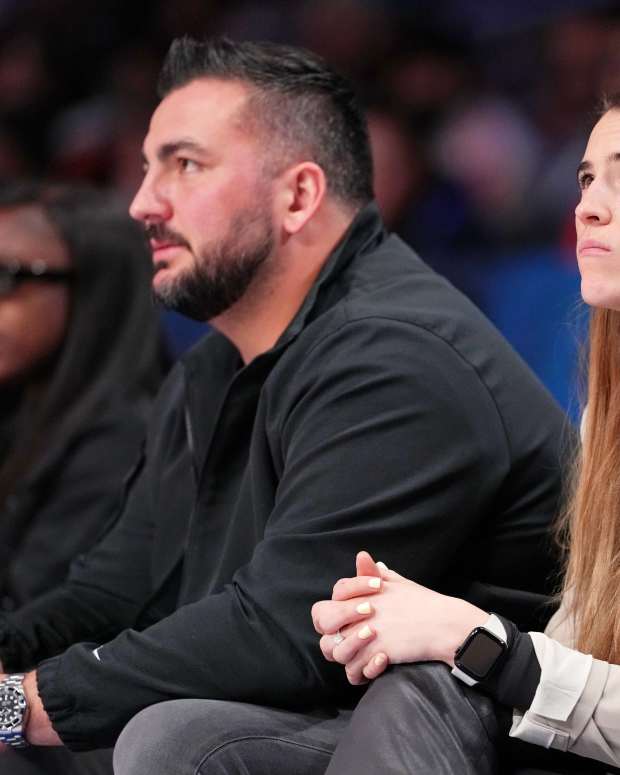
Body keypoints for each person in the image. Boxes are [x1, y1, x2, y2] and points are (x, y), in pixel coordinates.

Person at [0, 38, 567, 775]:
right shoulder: (216, 363)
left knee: (168, 740)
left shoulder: (397, 355)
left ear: (298, 195)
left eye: (185, 164)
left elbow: (282, 631)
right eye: (146, 167)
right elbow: (113, 586)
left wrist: (19, 707)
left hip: (458, 728)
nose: (142, 202)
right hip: (314, 704)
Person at [312, 95, 620, 774]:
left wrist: (475, 640)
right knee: (180, 734)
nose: (590, 205)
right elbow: (577, 653)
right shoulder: (608, 408)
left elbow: (532, 670)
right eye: (587, 178)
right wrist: (410, 622)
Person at [0, 181, 165, 608]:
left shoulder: (125, 438)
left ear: (96, 288)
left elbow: (34, 614)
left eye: (5, 277)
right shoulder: (20, 407)